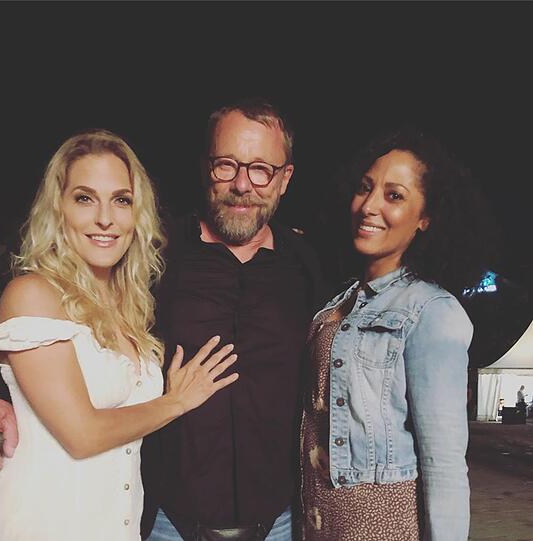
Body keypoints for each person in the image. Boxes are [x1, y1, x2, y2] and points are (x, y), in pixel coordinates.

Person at [0, 130, 239, 540]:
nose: (105, 218)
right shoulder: (32, 294)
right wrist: (176, 401)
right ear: (58, 208)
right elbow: (82, 435)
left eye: (121, 200)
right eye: (85, 198)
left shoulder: (129, 306)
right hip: (44, 524)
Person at [140, 98, 327, 540]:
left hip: (278, 522)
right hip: (168, 520)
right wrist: (0, 396)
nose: (242, 185)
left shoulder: (308, 265)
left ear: (284, 179)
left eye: (261, 169)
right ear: (206, 167)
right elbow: (73, 308)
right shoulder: (154, 253)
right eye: (226, 165)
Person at [301, 127, 494, 540]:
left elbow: (444, 465)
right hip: (320, 525)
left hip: (386, 527)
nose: (369, 206)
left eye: (394, 196)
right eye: (365, 188)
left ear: (425, 218)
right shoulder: (340, 302)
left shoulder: (431, 311)